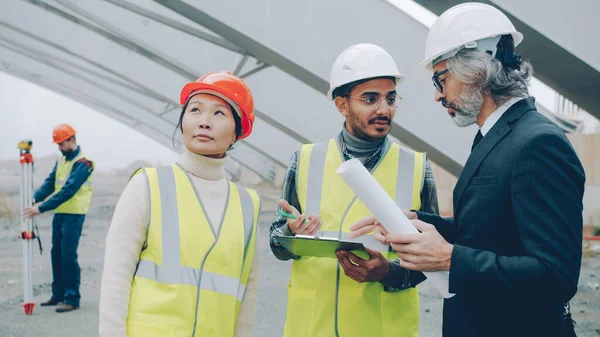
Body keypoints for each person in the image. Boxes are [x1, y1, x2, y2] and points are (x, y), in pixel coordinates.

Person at [349, 4, 585, 337]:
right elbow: (490, 231)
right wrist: (414, 223)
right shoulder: (498, 136)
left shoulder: (538, 143)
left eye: (440, 79)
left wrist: (450, 259)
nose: (437, 95)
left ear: (475, 70)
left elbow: (555, 275)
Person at [270, 43, 439, 337]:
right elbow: (276, 243)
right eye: (370, 99)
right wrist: (290, 233)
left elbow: (434, 257)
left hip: (383, 328)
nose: (384, 109)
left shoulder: (416, 167)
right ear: (342, 104)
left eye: (390, 98)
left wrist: (389, 273)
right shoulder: (306, 160)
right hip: (313, 327)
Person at [99, 71, 261, 337]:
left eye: (219, 113)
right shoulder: (148, 186)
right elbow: (116, 277)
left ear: (237, 132)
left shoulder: (247, 204)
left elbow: (248, 290)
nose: (204, 122)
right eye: (195, 110)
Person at [23, 123, 94, 313]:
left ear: (72, 140)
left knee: (68, 255)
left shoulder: (84, 163)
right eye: (58, 145)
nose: (59, 148)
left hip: (74, 215)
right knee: (56, 254)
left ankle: (72, 298)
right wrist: (35, 198)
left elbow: (68, 190)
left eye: (61, 144)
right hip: (61, 214)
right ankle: (58, 294)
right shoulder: (62, 160)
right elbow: (50, 183)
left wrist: (41, 208)